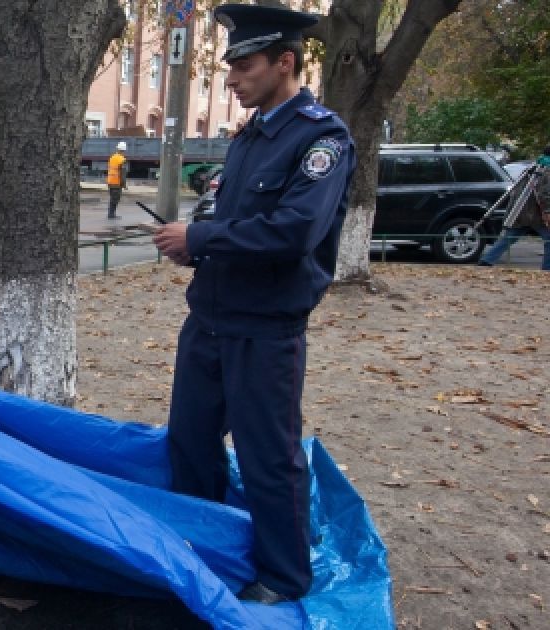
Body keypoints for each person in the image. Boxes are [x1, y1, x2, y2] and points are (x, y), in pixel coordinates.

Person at [151, 3, 356, 605]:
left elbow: (295, 230)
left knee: (268, 459)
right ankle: (205, 552)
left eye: (243, 65)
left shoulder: (321, 138)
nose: (232, 77)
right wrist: (194, 245)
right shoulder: (249, 138)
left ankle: (284, 579)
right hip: (208, 319)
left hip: (265, 330)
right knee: (188, 445)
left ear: (284, 62)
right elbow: (225, 216)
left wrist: (203, 238)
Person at [479, 146, 550, 270]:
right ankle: (547, 268)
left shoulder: (533, 167)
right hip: (536, 214)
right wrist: (548, 211)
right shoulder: (547, 170)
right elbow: (545, 194)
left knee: (509, 237)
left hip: (520, 211)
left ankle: (487, 260)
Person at [107, 141, 129, 219]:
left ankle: (111, 214)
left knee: (112, 198)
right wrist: (124, 184)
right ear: (124, 150)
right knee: (115, 199)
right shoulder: (122, 159)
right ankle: (111, 215)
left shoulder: (112, 157)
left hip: (110, 181)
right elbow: (122, 173)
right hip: (117, 182)